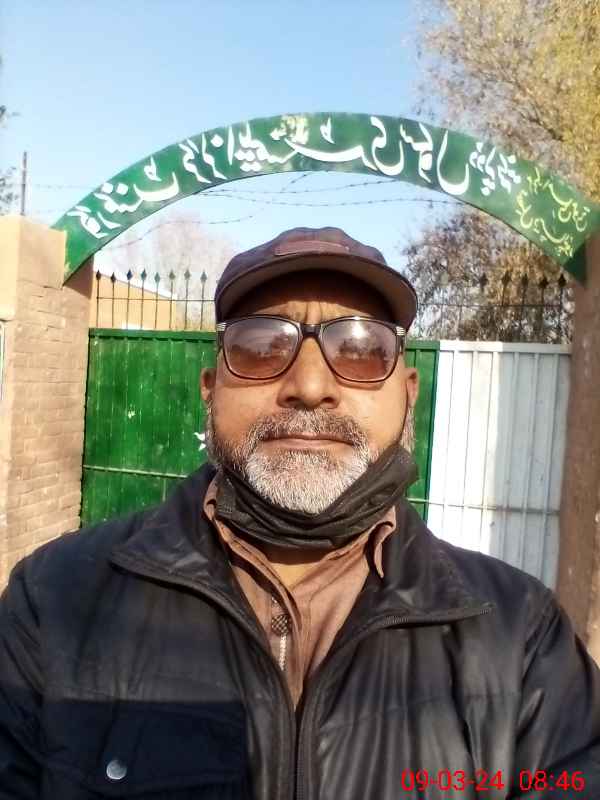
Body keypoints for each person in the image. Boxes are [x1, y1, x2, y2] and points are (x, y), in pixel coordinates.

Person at [0, 226, 599, 799]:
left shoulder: (521, 639)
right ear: (210, 388)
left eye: (361, 350)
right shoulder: (55, 601)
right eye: (261, 347)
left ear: (409, 393)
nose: (309, 386)